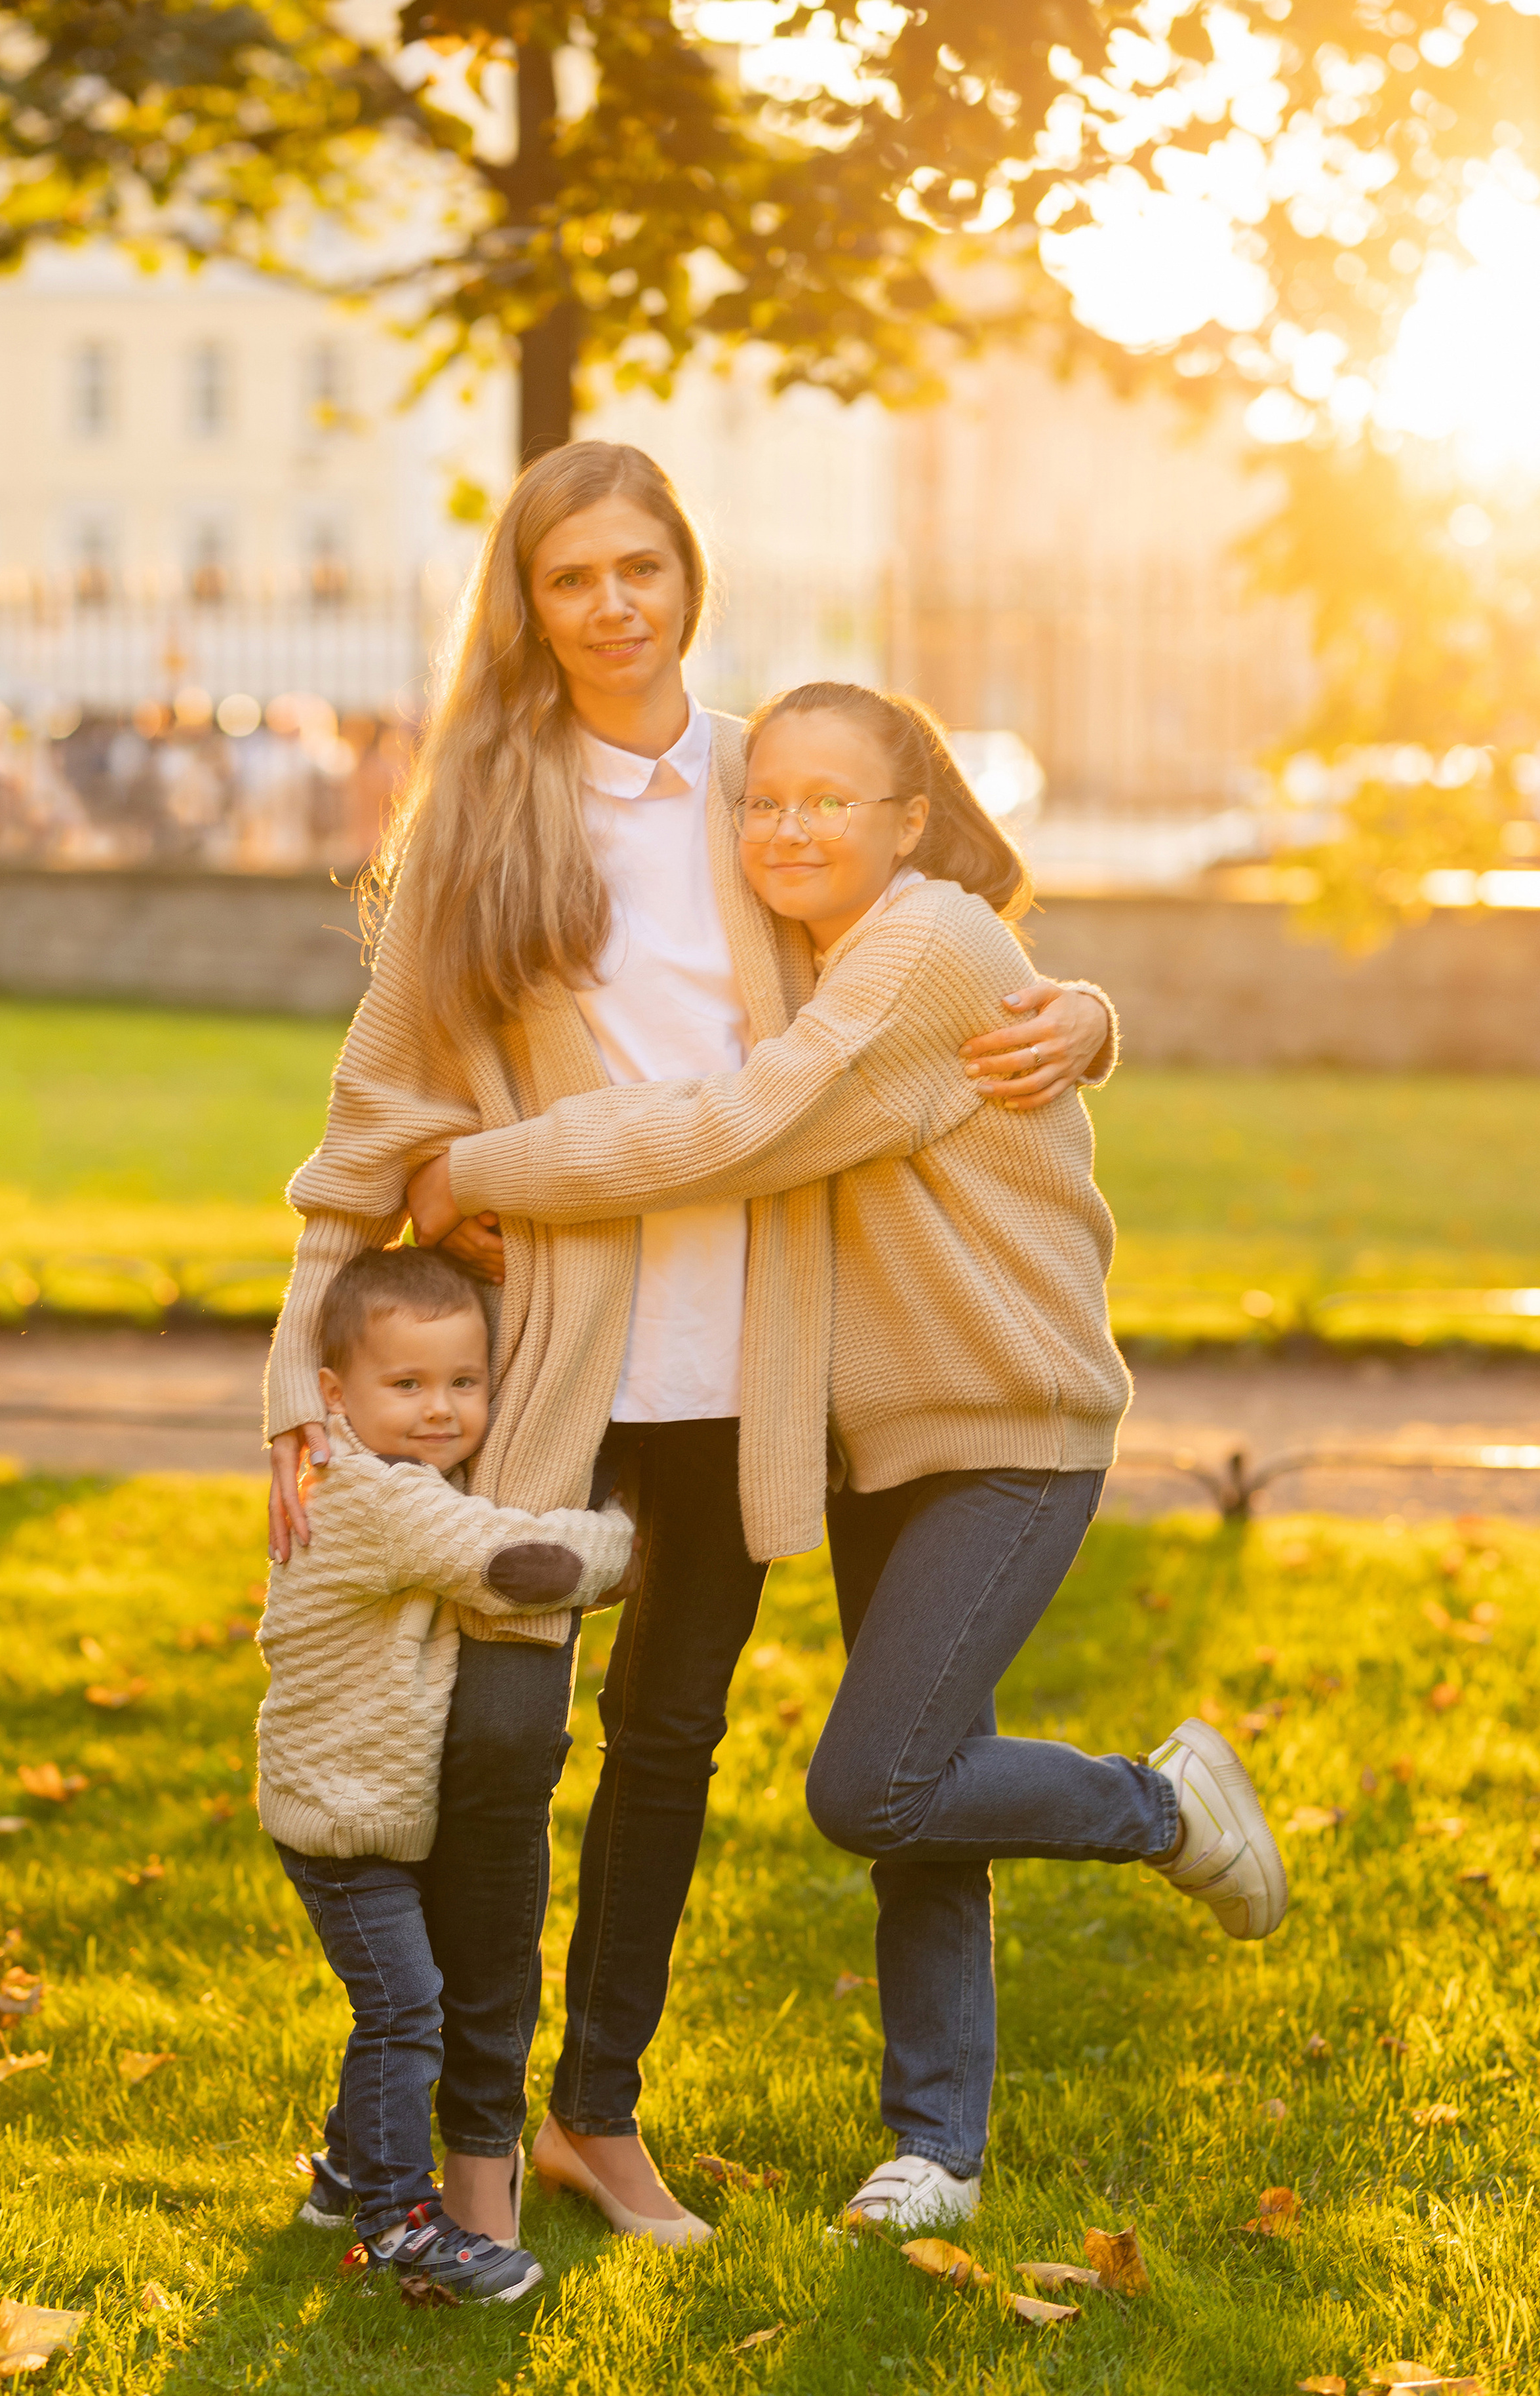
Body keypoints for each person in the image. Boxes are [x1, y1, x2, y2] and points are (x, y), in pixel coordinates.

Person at [263, 439, 1117, 2250]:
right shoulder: (480, 810)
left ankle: (596, 2119)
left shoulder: (766, 778)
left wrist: (1095, 1019)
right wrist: (296, 1367)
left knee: (673, 1742)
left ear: (687, 576)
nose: (613, 604)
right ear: (530, 601)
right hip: (555, 1355)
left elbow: (964, 925)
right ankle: (442, 2126)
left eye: (640, 565)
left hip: (747, 1355)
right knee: (500, 1739)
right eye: (572, 576)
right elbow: (374, 1107)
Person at [408, 678, 1288, 2227]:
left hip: (1005, 1429)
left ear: (906, 821)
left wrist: (475, 1169)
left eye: (831, 801)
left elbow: (742, 1125)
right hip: (878, 1438)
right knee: (930, 1780)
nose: (788, 825)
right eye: (765, 800)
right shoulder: (833, 952)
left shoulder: (918, 947)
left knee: (875, 1785)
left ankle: (1158, 1806)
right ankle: (933, 2149)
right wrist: (1087, 1014)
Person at [256, 1244, 633, 2296]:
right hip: (345, 1825)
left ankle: (341, 2167)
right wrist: (629, 1534)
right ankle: (399, 2221)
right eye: (408, 1384)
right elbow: (523, 1567)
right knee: (404, 2007)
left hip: (368, 1804)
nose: (440, 1410)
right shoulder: (374, 1498)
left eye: (465, 1383)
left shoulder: (388, 1474)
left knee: (394, 1992)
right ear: (334, 1394)